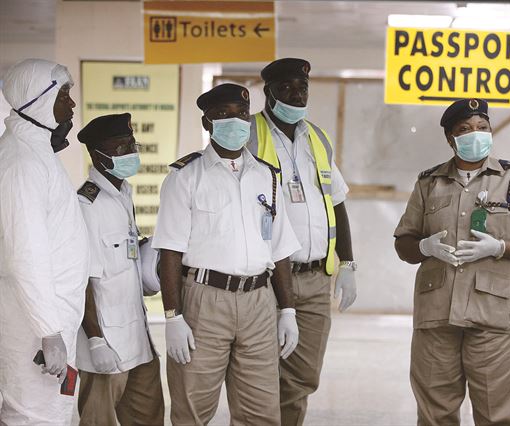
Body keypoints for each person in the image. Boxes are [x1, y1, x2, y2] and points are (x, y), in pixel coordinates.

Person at [394, 98, 510, 425]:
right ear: (450, 139)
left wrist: (499, 248)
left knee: (497, 414)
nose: (475, 134)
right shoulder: (428, 183)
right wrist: (424, 247)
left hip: (494, 317)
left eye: (482, 127)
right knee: (434, 413)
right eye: (465, 129)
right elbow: (403, 243)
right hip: (437, 316)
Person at [152, 83, 301, 425]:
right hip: (205, 302)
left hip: (259, 302)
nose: (234, 123)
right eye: (222, 116)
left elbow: (278, 250)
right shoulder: (185, 177)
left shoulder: (267, 176)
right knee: (192, 409)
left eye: (241, 115)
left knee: (260, 412)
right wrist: (173, 317)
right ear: (207, 123)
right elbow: (170, 252)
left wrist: (288, 309)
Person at [247, 57, 357, 425]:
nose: (296, 95)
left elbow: (336, 202)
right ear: (269, 92)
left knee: (303, 375)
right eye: (287, 88)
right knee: (264, 371)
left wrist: (347, 262)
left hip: (314, 279)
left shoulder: (317, 138)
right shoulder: (248, 134)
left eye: (302, 88)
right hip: (264, 276)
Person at [0, 59, 89, 424]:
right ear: (37, 100)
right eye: (64, 95)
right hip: (33, 329)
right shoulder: (21, 161)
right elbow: (26, 253)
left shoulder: (36, 152)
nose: (71, 105)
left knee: (50, 413)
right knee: (32, 415)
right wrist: (48, 331)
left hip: (48, 319)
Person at [75, 113, 164, 425]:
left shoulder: (123, 193)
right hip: (106, 346)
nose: (129, 153)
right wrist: (96, 341)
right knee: (99, 421)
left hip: (138, 336)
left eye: (131, 144)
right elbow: (83, 279)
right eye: (119, 148)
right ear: (98, 156)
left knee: (150, 417)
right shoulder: (87, 205)